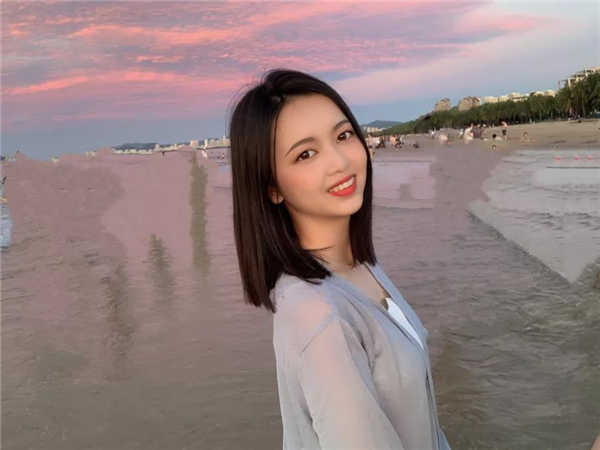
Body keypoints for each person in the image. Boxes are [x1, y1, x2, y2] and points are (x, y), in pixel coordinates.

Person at [228, 68, 451, 450]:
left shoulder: (360, 266)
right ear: (272, 188)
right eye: (306, 154)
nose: (340, 162)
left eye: (343, 135)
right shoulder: (319, 316)